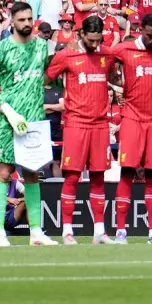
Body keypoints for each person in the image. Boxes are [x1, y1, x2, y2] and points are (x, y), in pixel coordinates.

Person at [0, 1, 57, 247]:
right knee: (3, 174)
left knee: (33, 175)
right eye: (22, 19)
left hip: (35, 120)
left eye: (30, 19)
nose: (27, 23)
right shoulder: (0, 49)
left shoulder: (41, 47)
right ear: (11, 20)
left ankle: (36, 232)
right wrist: (7, 109)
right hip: (8, 121)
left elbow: (48, 76)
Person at [45, 15, 117, 245]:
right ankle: (67, 231)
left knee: (98, 177)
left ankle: (99, 232)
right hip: (75, 122)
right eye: (92, 40)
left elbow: (114, 75)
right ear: (81, 34)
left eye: (99, 40)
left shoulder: (106, 55)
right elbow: (46, 79)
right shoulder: (66, 55)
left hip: (100, 124)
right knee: (72, 177)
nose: (96, 44)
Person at [112, 14, 152, 244]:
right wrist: (118, 82)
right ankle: (120, 231)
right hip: (131, 119)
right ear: (140, 30)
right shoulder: (124, 50)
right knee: (127, 172)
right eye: (150, 35)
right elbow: (106, 63)